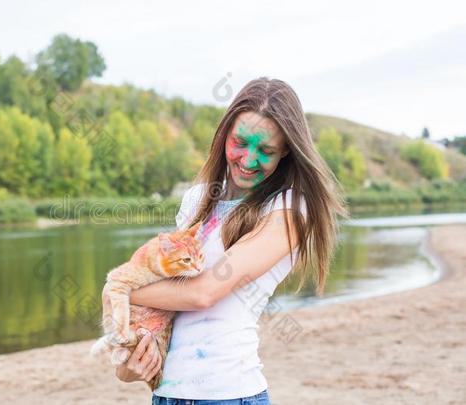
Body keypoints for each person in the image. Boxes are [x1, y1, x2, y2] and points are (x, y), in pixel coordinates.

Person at [115, 77, 348, 404]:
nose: (248, 159)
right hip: (167, 394)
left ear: (285, 153)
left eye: (266, 150)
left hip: (229, 394)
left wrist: (118, 289)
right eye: (240, 142)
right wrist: (130, 362)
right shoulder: (196, 199)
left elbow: (203, 292)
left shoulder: (289, 209)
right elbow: (167, 299)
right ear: (224, 133)